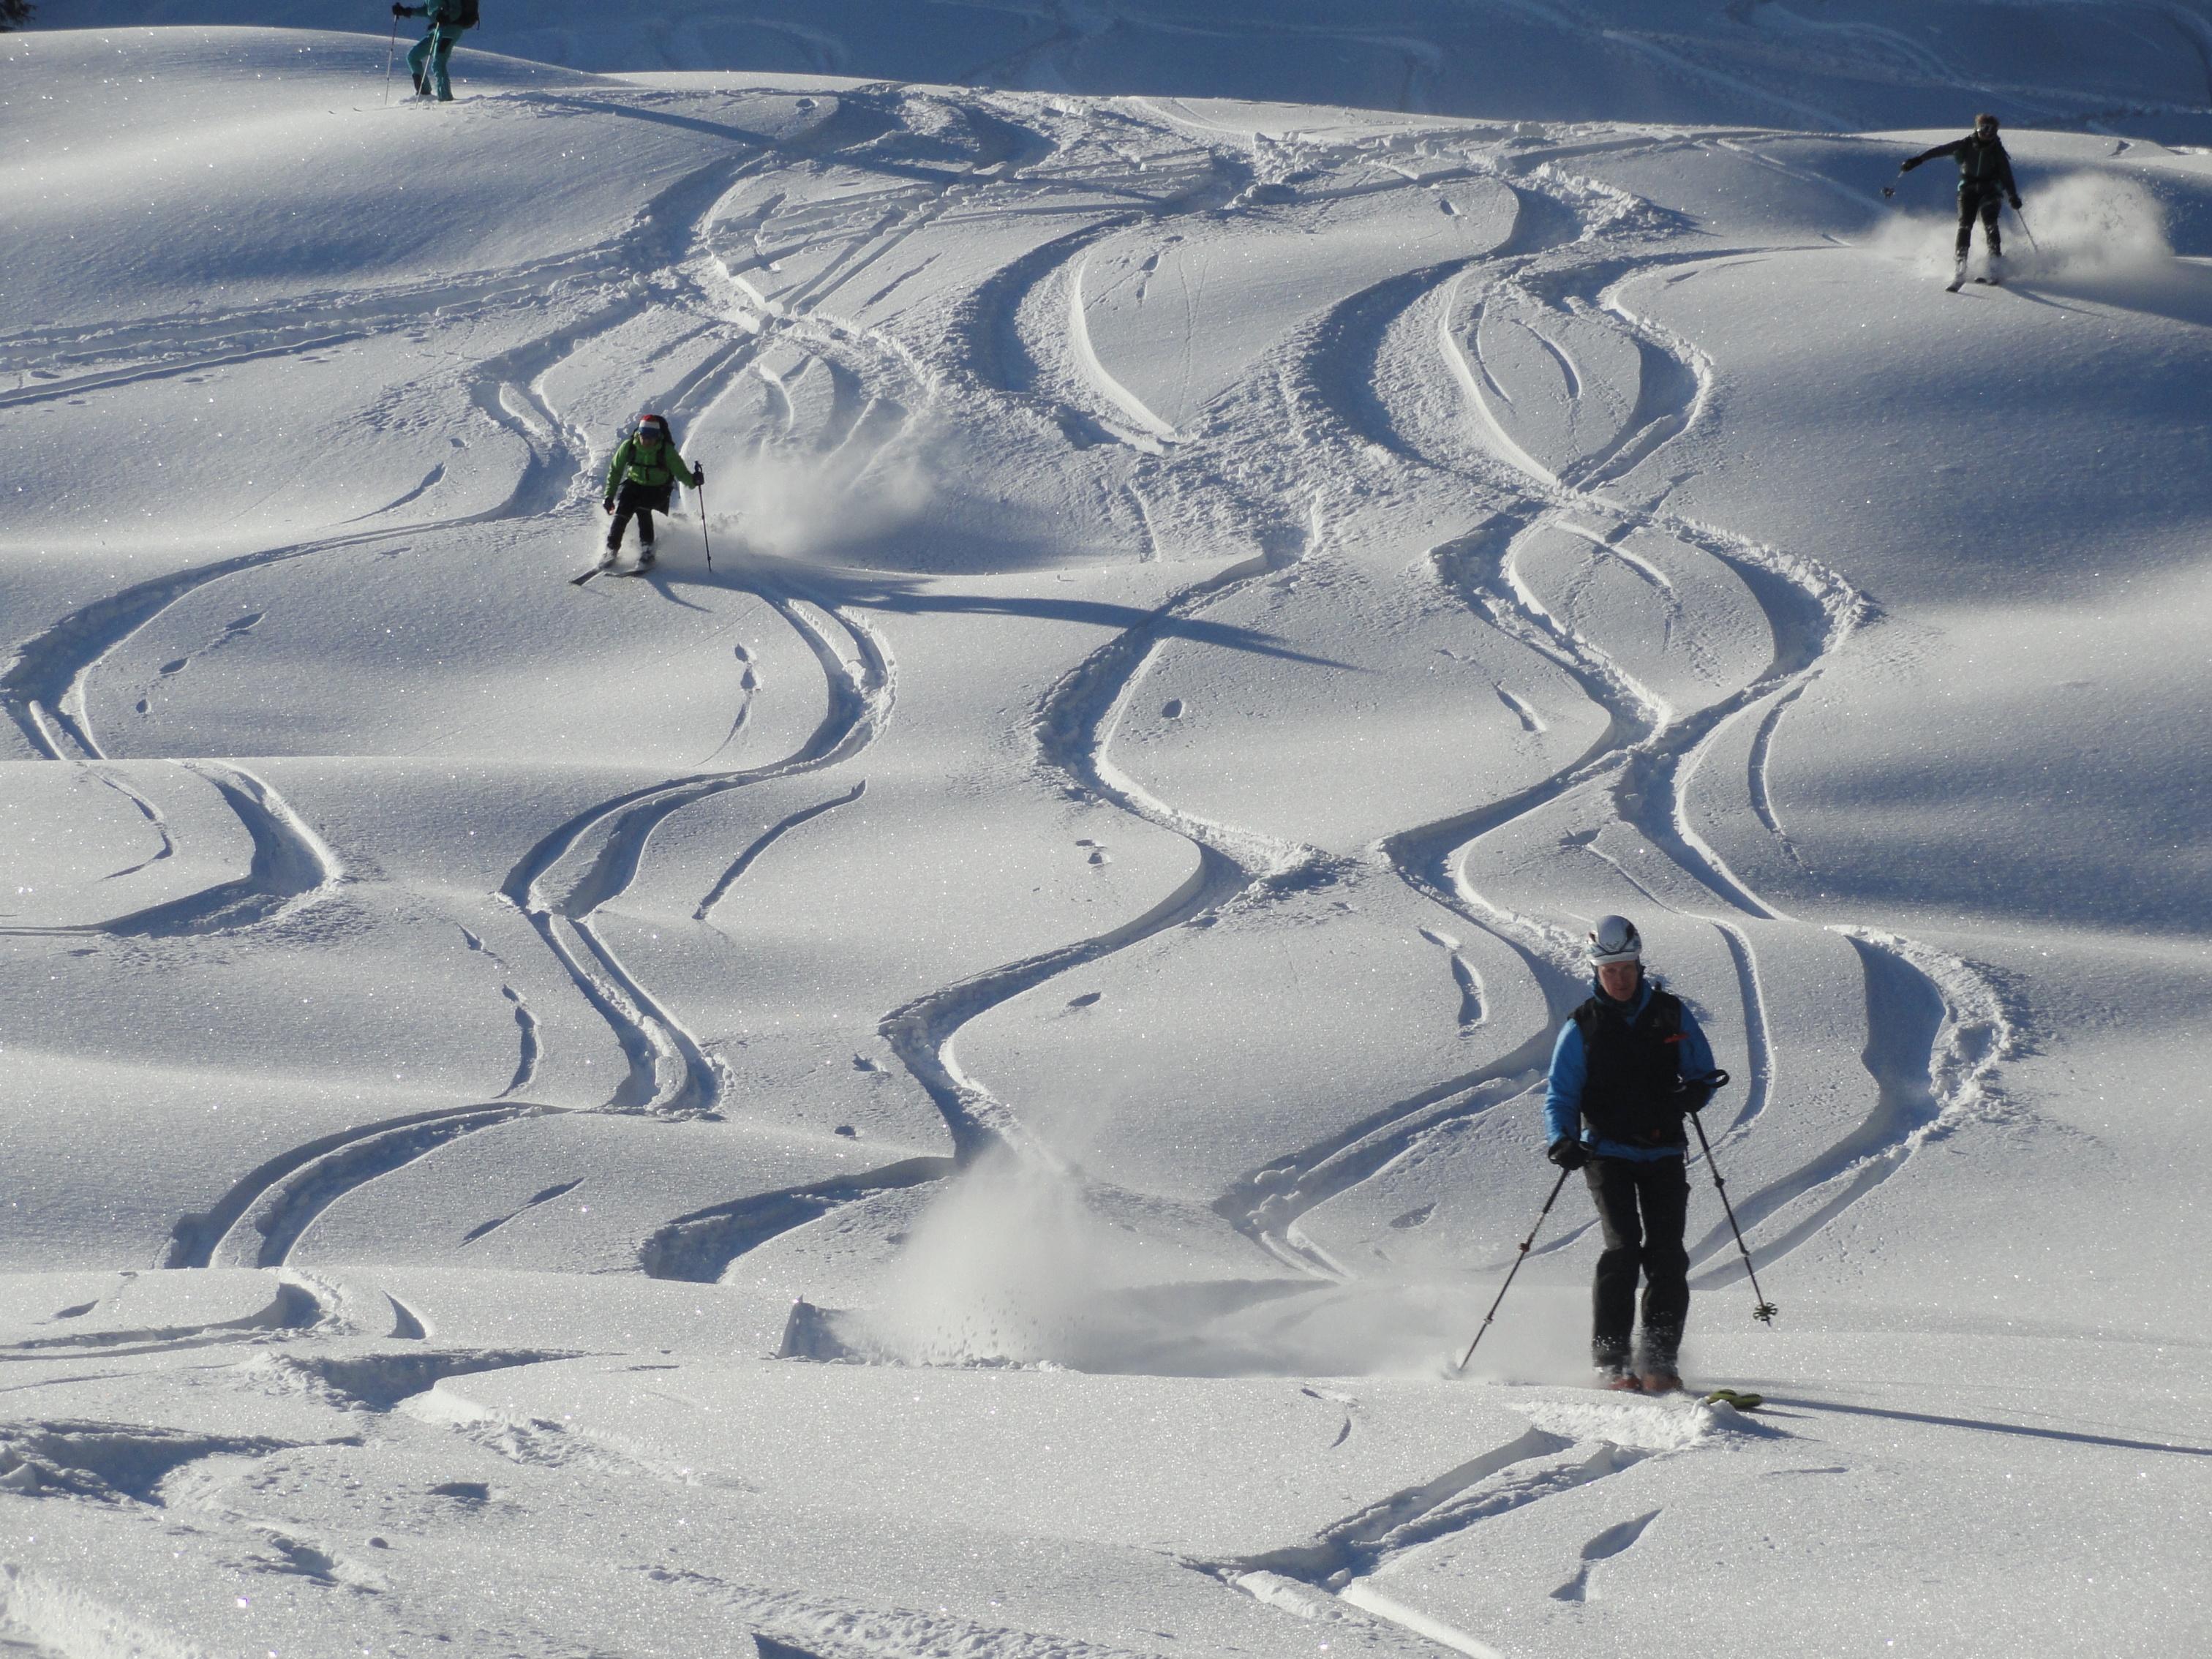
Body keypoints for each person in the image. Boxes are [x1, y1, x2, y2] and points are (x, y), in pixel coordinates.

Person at [1543, 915, 1720, 1393]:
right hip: (1607, 1151)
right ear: (1596, 972)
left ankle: (1659, 1359)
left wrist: (1696, 1093)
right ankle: (1612, 1361)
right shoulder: (1582, 1026)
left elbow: (1703, 1073)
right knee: (1623, 1249)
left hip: (1664, 1150)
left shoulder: (1671, 1014)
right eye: (1609, 971)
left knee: (1667, 1254)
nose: (1618, 979)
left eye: (1625, 969)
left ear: (1639, 965)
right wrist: (1562, 1139)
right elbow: (1561, 1094)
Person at [1899, 113, 2022, 285]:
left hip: (1990, 190)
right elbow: (1940, 151)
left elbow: (2006, 174)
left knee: (1990, 223)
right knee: (1965, 224)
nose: (1987, 134)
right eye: (1983, 129)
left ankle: (1995, 264)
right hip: (1968, 189)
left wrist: (2013, 195)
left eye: (1991, 131)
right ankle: (1961, 264)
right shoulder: (1966, 144)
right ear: (1977, 129)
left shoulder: (1997, 151)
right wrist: (1918, 160)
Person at [601, 414, 703, 569]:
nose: (647, 441)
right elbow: (615, 471)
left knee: (643, 509)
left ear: (658, 436)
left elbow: (681, 472)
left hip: (658, 489)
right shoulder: (629, 447)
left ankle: (648, 550)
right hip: (634, 485)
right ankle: (611, 549)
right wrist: (609, 496)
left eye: (651, 437)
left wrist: (694, 481)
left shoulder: (666, 451)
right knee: (622, 513)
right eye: (644, 436)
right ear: (639, 434)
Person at [394, 1, 474, 104]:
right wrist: (406, 11)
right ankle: (424, 93)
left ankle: (445, 100)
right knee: (413, 57)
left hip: (451, 29)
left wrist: (447, 17)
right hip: (439, 29)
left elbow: (457, 10)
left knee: (438, 64)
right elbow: (428, 10)